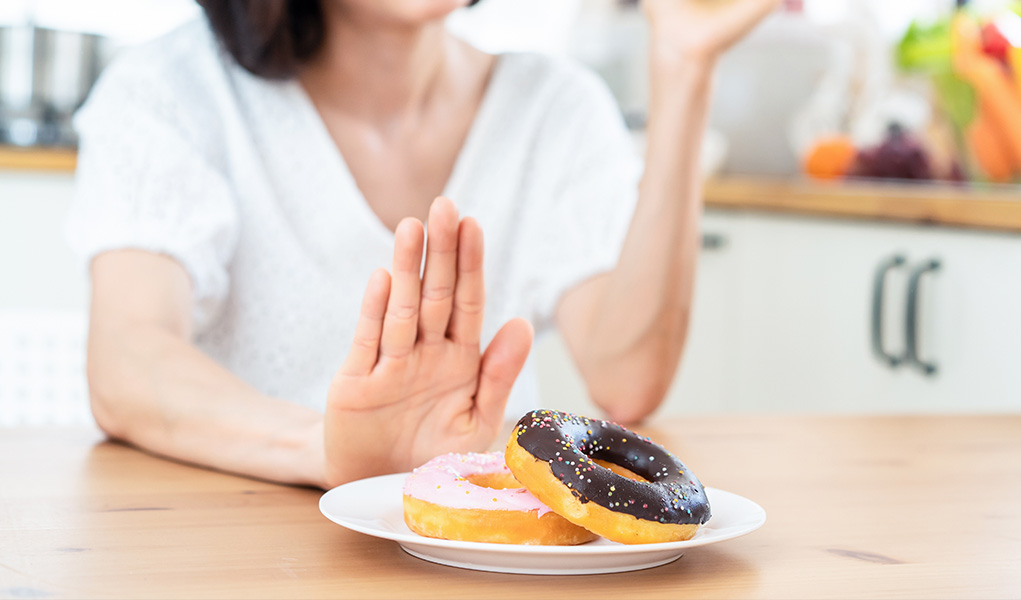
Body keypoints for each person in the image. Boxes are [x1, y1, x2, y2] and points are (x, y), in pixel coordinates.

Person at [68, 0, 778, 489]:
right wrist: (328, 450)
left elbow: (627, 378)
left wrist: (684, 67)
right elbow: (127, 361)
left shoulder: (556, 105)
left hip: (463, 565)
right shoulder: (171, 90)